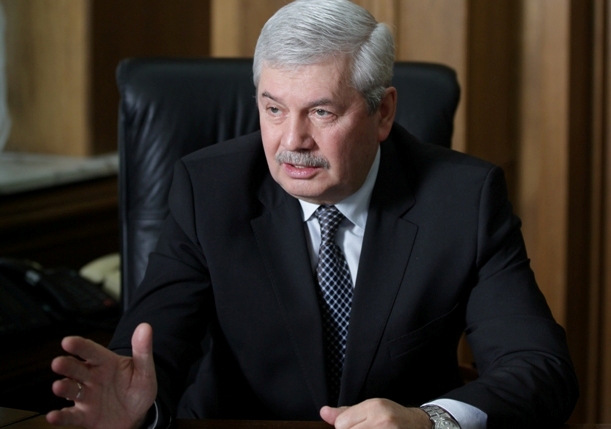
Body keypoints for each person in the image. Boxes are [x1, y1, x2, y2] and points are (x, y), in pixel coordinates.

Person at [46, 1, 579, 428]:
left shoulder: (464, 198)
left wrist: (430, 420)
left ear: (383, 112)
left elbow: (540, 368)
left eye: (321, 112)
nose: (292, 141)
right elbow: (147, 358)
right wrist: (137, 409)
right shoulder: (209, 189)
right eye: (274, 109)